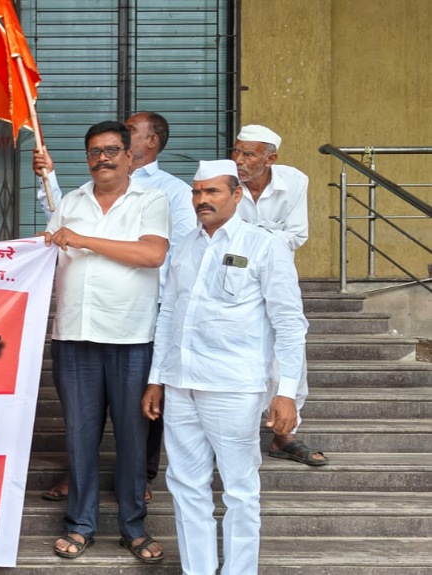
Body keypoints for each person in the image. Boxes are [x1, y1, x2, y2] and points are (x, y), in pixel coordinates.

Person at [143, 160, 307, 575]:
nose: (202, 199)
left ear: (237, 195)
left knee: (240, 489)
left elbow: (289, 323)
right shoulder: (185, 245)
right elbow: (168, 314)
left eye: (212, 191)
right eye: (197, 192)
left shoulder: (264, 246)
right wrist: (157, 378)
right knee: (185, 485)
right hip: (181, 384)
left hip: (234, 386)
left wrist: (286, 391)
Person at [42, 112, 195, 504]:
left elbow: (153, 254)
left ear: (129, 157)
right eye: (95, 152)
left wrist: (84, 240)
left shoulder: (154, 198)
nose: (103, 158)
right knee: (79, 432)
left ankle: (133, 520)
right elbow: (48, 252)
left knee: (133, 432)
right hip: (74, 333)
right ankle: (80, 521)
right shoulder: (71, 201)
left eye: (111, 150)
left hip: (131, 333)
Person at [231, 124, 323, 466]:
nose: (239, 160)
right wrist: (269, 235)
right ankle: (233, 434)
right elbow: (221, 233)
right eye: (236, 150)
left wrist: (252, 236)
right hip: (233, 278)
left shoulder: (294, 181)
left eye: (248, 154)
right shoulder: (225, 180)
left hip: (278, 277)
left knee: (287, 343)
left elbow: (297, 235)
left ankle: (285, 435)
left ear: (270, 159)